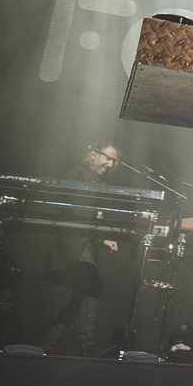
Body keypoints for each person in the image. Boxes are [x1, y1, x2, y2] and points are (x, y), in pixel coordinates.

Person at [40, 144, 122, 354]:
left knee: (82, 295)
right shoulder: (77, 175)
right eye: (107, 158)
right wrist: (103, 238)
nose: (110, 164)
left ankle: (49, 344)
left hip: (85, 245)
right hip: (73, 244)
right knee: (92, 286)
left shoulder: (100, 182)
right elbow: (75, 210)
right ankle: (86, 345)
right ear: (93, 154)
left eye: (114, 161)